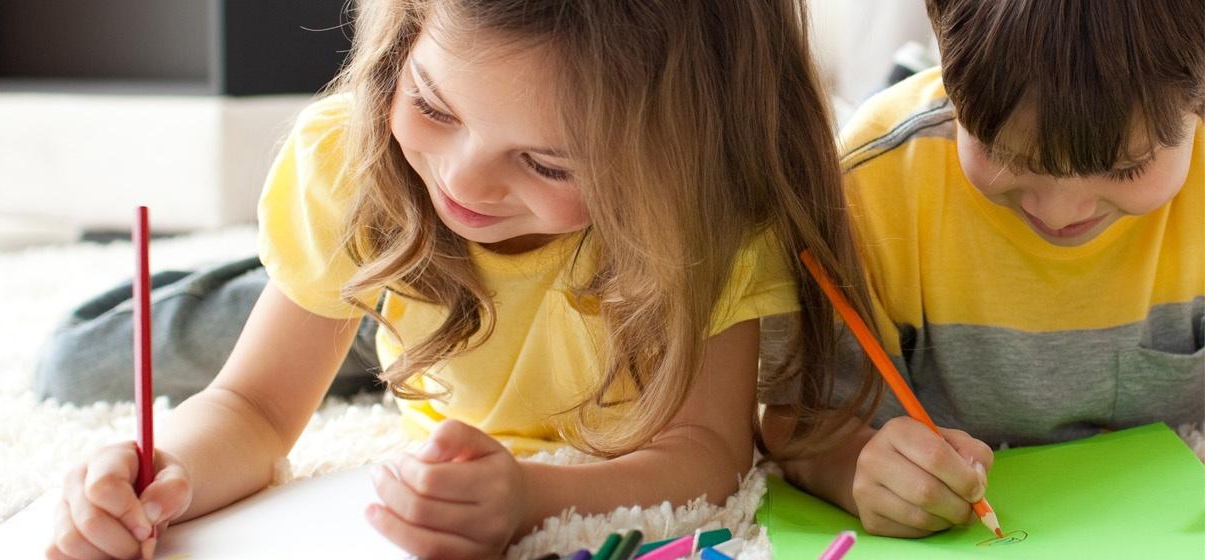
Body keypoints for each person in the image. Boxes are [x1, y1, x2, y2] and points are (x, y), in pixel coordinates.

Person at [44, 0, 875, 558]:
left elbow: (708, 455)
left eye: (546, 162)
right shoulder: (359, 163)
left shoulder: (711, 222)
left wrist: (526, 496)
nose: (465, 185)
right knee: (77, 362)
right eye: (435, 108)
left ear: (677, 162)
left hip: (472, 340)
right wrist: (158, 477)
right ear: (402, 42)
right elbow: (254, 407)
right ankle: (279, 284)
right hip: (394, 279)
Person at [762, 0, 1205, 539]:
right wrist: (852, 465)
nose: (1059, 212)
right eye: (1007, 155)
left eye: (1124, 167)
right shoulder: (862, 198)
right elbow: (791, 420)